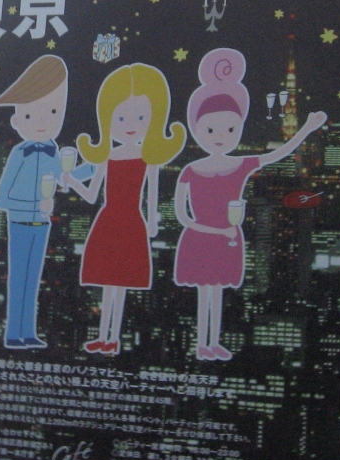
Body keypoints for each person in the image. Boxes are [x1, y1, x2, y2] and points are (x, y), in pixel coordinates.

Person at [172, 48, 325, 362]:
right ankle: (202, 344)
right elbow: (181, 215)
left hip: (226, 238)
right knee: (205, 292)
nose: (220, 136)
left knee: (217, 291)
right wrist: (214, 230)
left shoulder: (240, 165)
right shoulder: (190, 170)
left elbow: (277, 154)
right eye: (210, 130)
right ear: (196, 128)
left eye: (230, 129)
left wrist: (307, 129)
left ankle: (212, 343)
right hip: (205, 238)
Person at [65, 63, 185, 356]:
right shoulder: (108, 156)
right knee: (108, 283)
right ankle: (103, 337)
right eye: (120, 117)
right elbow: (92, 195)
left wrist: (152, 222)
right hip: (108, 221)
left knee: (119, 283)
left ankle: (113, 338)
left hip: (131, 221)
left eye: (141, 117)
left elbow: (151, 192)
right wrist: (71, 180)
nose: (131, 124)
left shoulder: (148, 156)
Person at [0, 55, 92, 350]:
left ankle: (28, 332)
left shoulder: (53, 151)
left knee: (33, 280)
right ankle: (13, 333)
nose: (43, 122)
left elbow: (65, 178)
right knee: (18, 277)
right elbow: (2, 197)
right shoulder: (19, 153)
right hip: (20, 222)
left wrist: (95, 166)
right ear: (17, 120)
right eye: (31, 115)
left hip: (42, 223)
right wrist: (36, 203)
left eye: (54, 111)